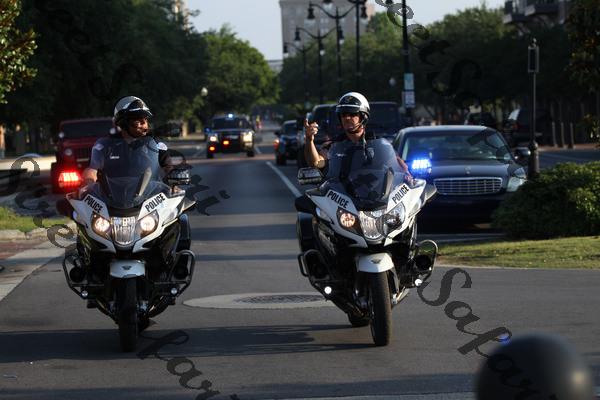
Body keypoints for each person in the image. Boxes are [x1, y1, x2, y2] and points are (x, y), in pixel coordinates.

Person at [303, 91, 411, 175]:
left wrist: (408, 176)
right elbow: (317, 163)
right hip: (341, 195)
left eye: (352, 114)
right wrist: (309, 139)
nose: (347, 118)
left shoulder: (380, 144)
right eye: (343, 114)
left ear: (363, 117)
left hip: (375, 195)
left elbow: (400, 167)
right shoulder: (332, 146)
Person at [82, 95, 172, 186]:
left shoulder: (156, 144)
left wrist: (173, 183)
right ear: (123, 123)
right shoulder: (106, 145)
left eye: (145, 119)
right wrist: (89, 184)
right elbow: (92, 170)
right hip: (112, 194)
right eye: (138, 120)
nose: (144, 123)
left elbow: (168, 169)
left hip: (151, 193)